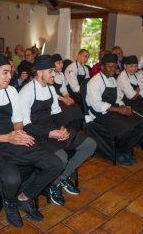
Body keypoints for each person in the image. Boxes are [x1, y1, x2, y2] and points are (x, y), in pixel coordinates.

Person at [0, 54, 64, 228]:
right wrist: (7, 137)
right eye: (5, 73)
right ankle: (9, 202)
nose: (10, 77)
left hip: (12, 139)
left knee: (55, 163)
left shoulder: (11, 92)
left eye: (10, 72)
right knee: (12, 178)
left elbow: (18, 122)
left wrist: (18, 135)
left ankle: (24, 198)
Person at [19, 55, 96, 206]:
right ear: (40, 72)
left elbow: (56, 113)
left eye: (54, 70)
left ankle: (59, 180)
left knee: (89, 144)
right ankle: (53, 184)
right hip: (35, 134)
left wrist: (63, 128)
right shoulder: (26, 92)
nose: (54, 74)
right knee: (61, 157)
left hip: (52, 129)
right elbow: (25, 125)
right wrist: (50, 134)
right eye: (50, 71)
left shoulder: (50, 88)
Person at [85, 54, 143, 166]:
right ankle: (118, 153)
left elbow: (117, 97)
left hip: (113, 109)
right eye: (110, 67)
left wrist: (123, 106)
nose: (113, 69)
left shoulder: (113, 79)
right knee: (127, 127)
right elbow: (97, 105)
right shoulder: (94, 82)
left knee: (142, 123)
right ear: (102, 67)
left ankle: (124, 149)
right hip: (100, 114)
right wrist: (119, 110)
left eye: (115, 67)